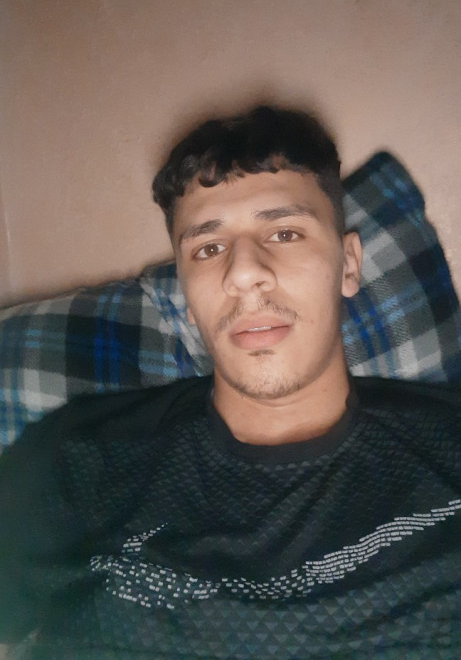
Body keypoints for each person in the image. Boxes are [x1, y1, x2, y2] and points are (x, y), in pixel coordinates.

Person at [0, 105, 460, 659]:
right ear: (186, 291)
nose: (243, 273)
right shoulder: (77, 461)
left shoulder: (449, 451)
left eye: (285, 232)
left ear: (348, 264)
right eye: (208, 248)